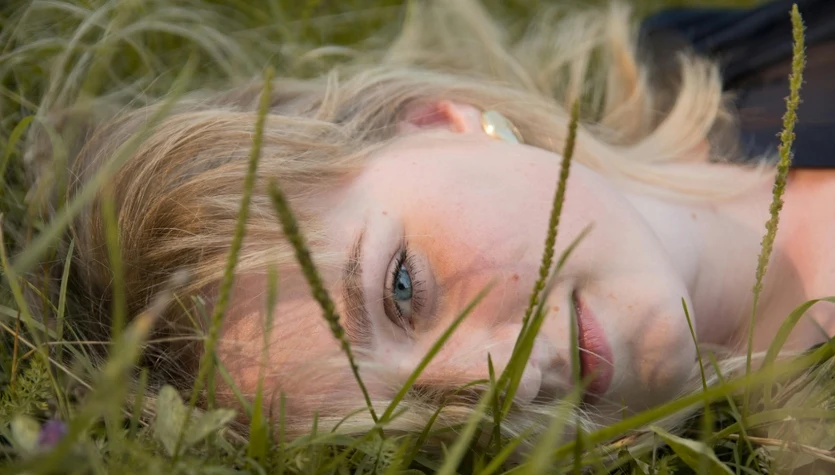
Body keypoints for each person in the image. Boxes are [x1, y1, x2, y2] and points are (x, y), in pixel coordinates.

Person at [26, 0, 834, 443]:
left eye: (403, 288)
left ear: (434, 121)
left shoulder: (725, 48)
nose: (507, 378)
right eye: (427, 424)